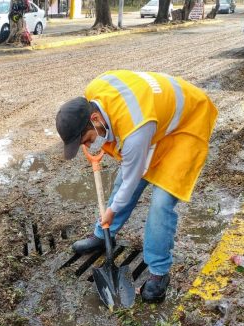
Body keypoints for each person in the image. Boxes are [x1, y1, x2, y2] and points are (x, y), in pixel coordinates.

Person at [55, 70, 218, 303]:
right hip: (155, 120)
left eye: (88, 138)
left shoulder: (136, 130)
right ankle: (103, 236)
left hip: (188, 122)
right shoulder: (94, 93)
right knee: (125, 180)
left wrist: (110, 211)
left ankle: (159, 273)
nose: (90, 144)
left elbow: (132, 178)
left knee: (161, 202)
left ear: (95, 119)